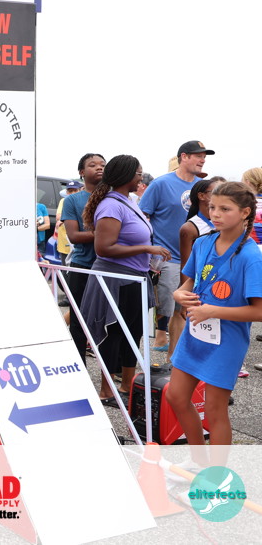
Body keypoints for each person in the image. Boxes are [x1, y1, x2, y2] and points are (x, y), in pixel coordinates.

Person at [167, 182, 262, 464]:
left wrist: (213, 311)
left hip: (226, 342)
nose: (216, 214)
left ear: (245, 212)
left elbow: (259, 311)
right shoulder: (202, 243)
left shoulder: (250, 256)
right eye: (212, 207)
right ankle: (198, 460)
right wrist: (179, 293)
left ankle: (217, 474)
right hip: (195, 334)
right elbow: (190, 282)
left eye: (225, 209)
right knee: (176, 396)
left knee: (214, 410)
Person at [80, 155, 170, 406]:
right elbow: (104, 248)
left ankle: (127, 386)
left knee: (134, 333)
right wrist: (146, 249)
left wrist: (146, 258)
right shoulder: (111, 205)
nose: (141, 178)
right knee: (114, 334)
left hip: (135, 278)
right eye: (138, 173)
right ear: (126, 176)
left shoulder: (128, 201)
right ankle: (106, 391)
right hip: (116, 279)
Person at [140, 141, 212, 362]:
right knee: (172, 308)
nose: (202, 160)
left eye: (204, 157)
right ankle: (171, 357)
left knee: (188, 308)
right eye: (198, 156)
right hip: (169, 257)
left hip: (198, 257)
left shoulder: (204, 186)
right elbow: (143, 216)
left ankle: (177, 358)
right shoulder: (161, 184)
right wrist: (151, 250)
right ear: (184, 157)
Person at [61, 153, 106, 361]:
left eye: (103, 164)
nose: (99, 167)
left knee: (108, 320)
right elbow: (74, 236)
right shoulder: (72, 200)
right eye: (92, 165)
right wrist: (105, 234)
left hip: (110, 267)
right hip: (82, 267)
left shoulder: (114, 197)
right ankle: (79, 365)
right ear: (81, 172)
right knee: (78, 319)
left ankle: (111, 370)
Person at [55, 180, 82, 263]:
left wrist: (64, 218)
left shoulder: (83, 201)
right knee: (64, 268)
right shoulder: (63, 201)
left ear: (80, 191)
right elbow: (58, 216)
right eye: (70, 191)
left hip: (79, 244)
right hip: (64, 243)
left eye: (75, 190)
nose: (72, 193)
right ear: (66, 192)